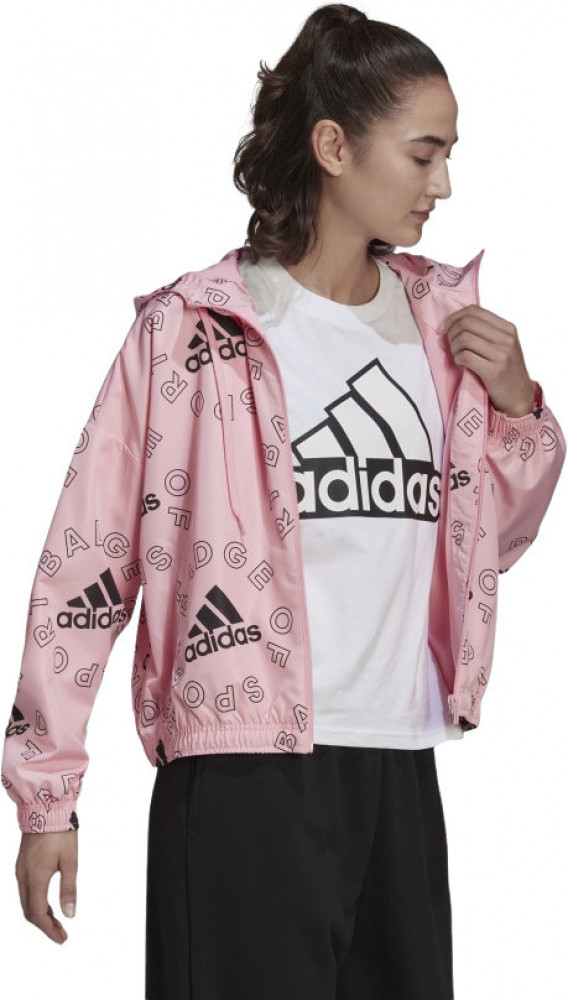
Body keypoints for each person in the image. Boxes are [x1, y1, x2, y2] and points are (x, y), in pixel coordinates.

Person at [2, 3, 565, 998]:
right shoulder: (192, 332)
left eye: (449, 156)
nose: (443, 185)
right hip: (242, 777)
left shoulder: (447, 329)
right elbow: (87, 561)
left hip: (399, 764)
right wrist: (46, 795)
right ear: (334, 147)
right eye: (424, 153)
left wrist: (521, 411)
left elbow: (491, 549)